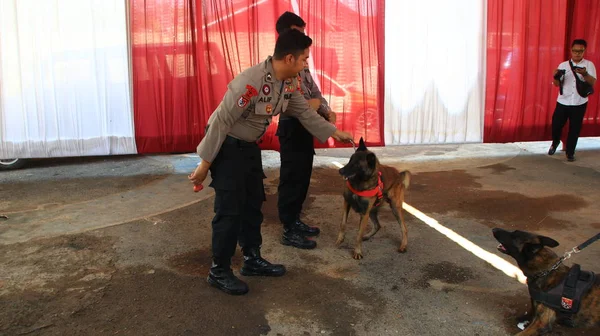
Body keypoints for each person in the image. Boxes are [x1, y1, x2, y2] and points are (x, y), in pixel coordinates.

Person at [188, 29, 353, 296]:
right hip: (226, 147)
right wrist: (205, 165)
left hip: (249, 148)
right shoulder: (251, 82)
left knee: (253, 205)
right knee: (230, 211)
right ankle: (219, 271)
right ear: (290, 58)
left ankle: (252, 259)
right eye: (304, 60)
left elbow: (303, 112)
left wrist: (335, 132)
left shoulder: (287, 83)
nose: (306, 65)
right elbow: (220, 122)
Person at [275, 12, 337, 249]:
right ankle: (288, 228)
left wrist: (326, 109)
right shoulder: (281, 63)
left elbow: (315, 93)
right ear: (283, 34)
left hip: (307, 127)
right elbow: (294, 103)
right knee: (291, 179)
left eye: (303, 32)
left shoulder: (302, 63)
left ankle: (295, 219)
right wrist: (314, 105)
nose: (302, 37)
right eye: (297, 33)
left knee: (302, 179)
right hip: (292, 127)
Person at [549, 39, 596, 162]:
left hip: (579, 102)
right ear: (571, 50)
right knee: (556, 125)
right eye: (575, 51)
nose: (577, 54)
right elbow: (556, 84)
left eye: (580, 51)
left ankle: (570, 152)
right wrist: (555, 76)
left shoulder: (589, 65)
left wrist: (585, 74)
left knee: (575, 128)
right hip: (563, 101)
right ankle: (555, 142)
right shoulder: (563, 65)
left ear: (584, 51)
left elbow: (592, 82)